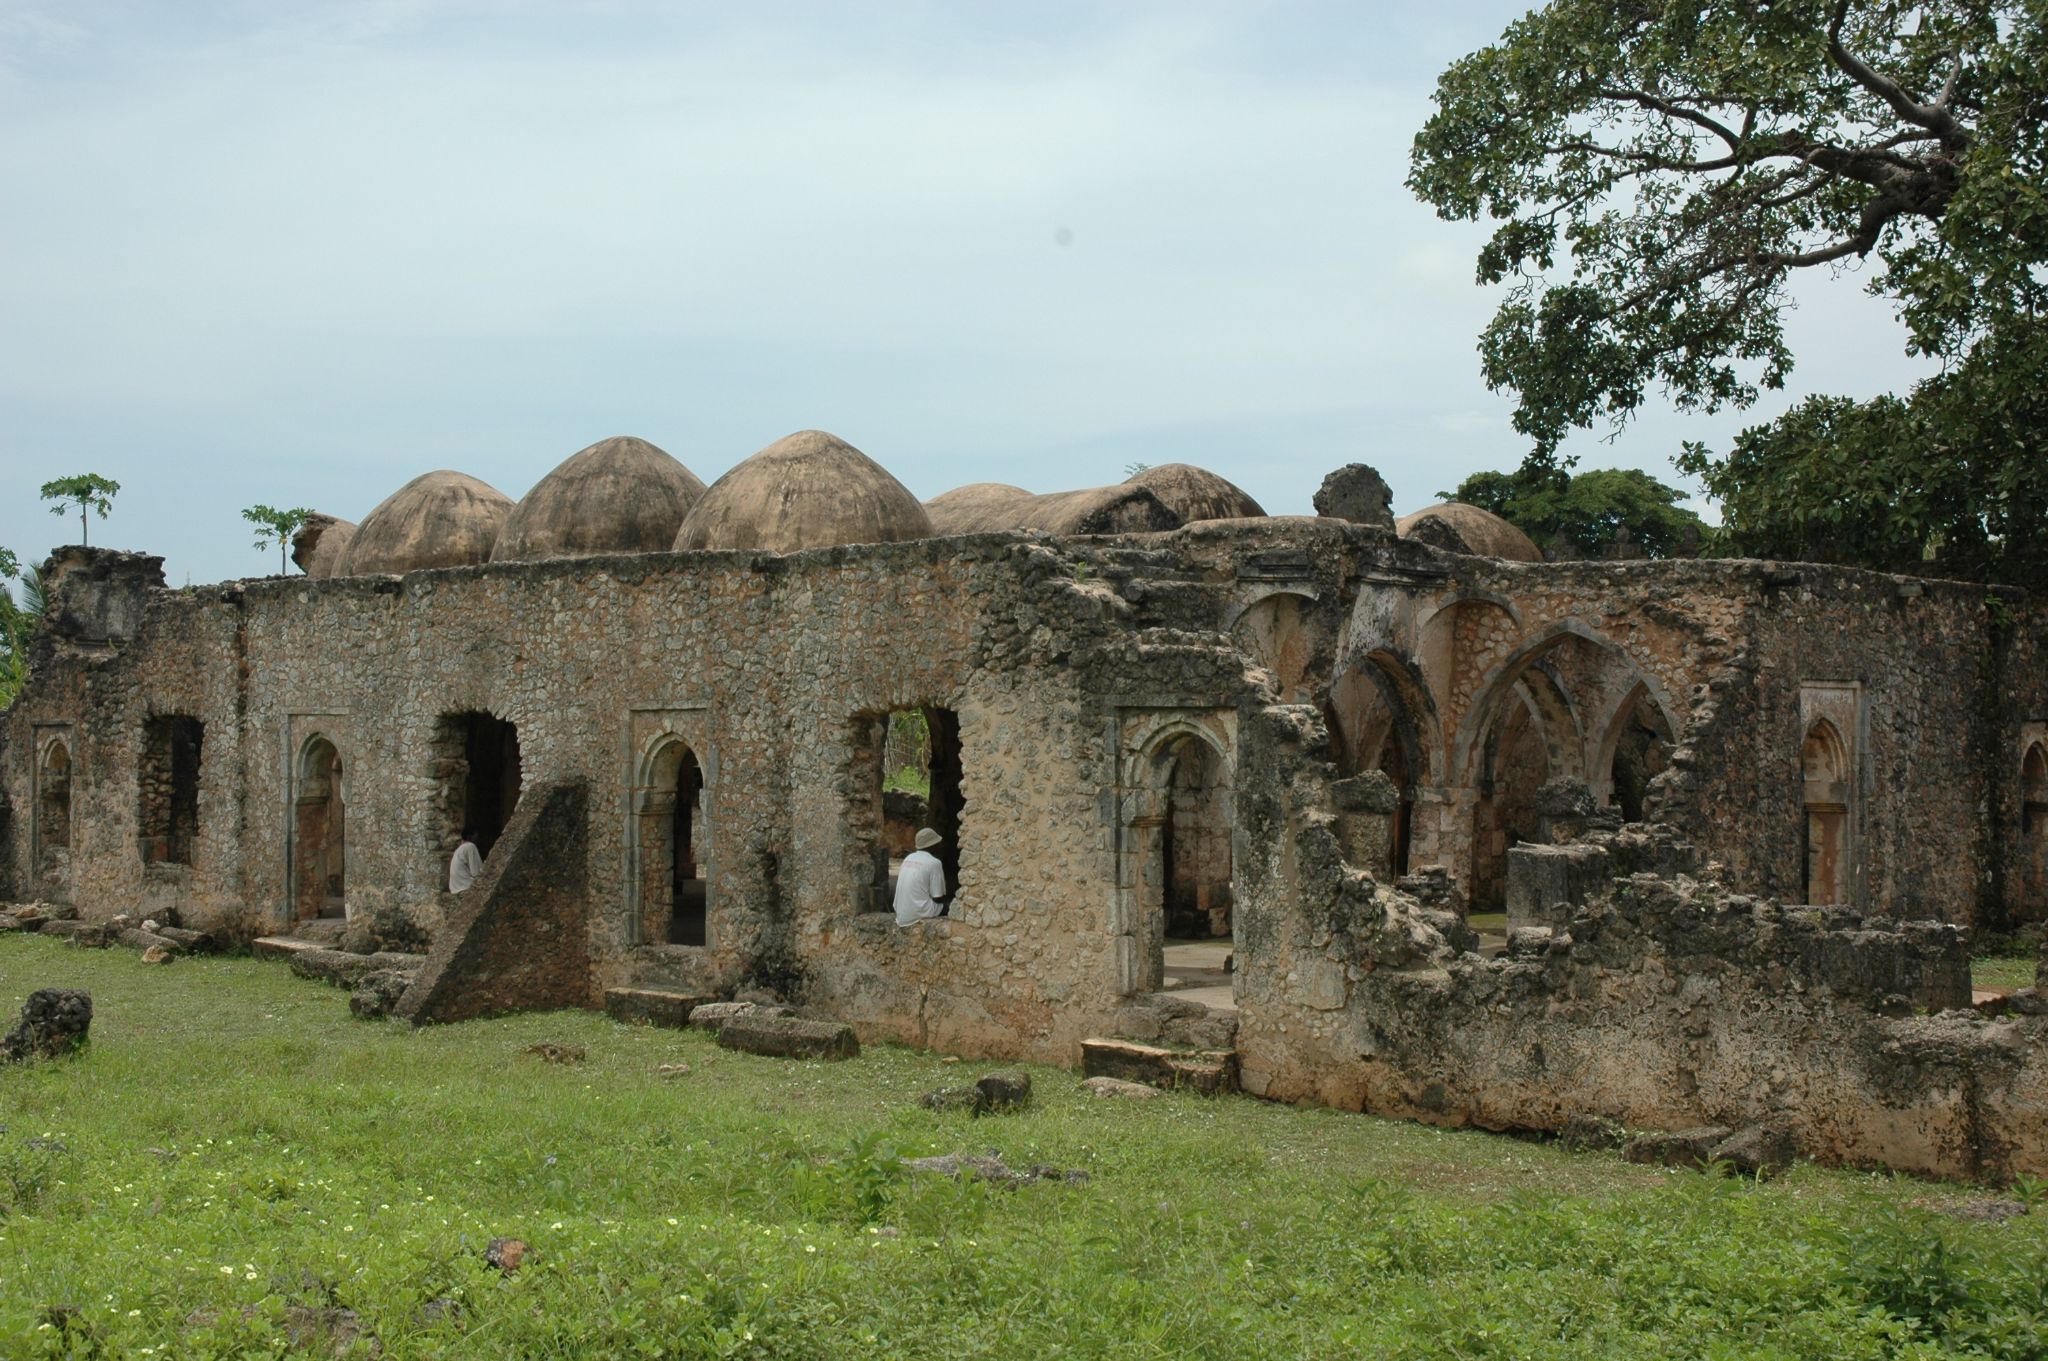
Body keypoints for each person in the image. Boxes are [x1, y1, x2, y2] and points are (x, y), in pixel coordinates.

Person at [892, 827, 950, 925]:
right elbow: (937, 897)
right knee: (952, 907)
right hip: (917, 913)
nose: (940, 846)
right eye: (937, 843)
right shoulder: (934, 863)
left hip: (901, 913)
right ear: (932, 845)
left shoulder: (908, 858)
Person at [448, 828, 483, 893]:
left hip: (455, 886)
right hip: (465, 885)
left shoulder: (459, 849)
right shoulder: (470, 846)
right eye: (476, 836)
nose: (477, 838)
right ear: (469, 836)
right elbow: (476, 872)